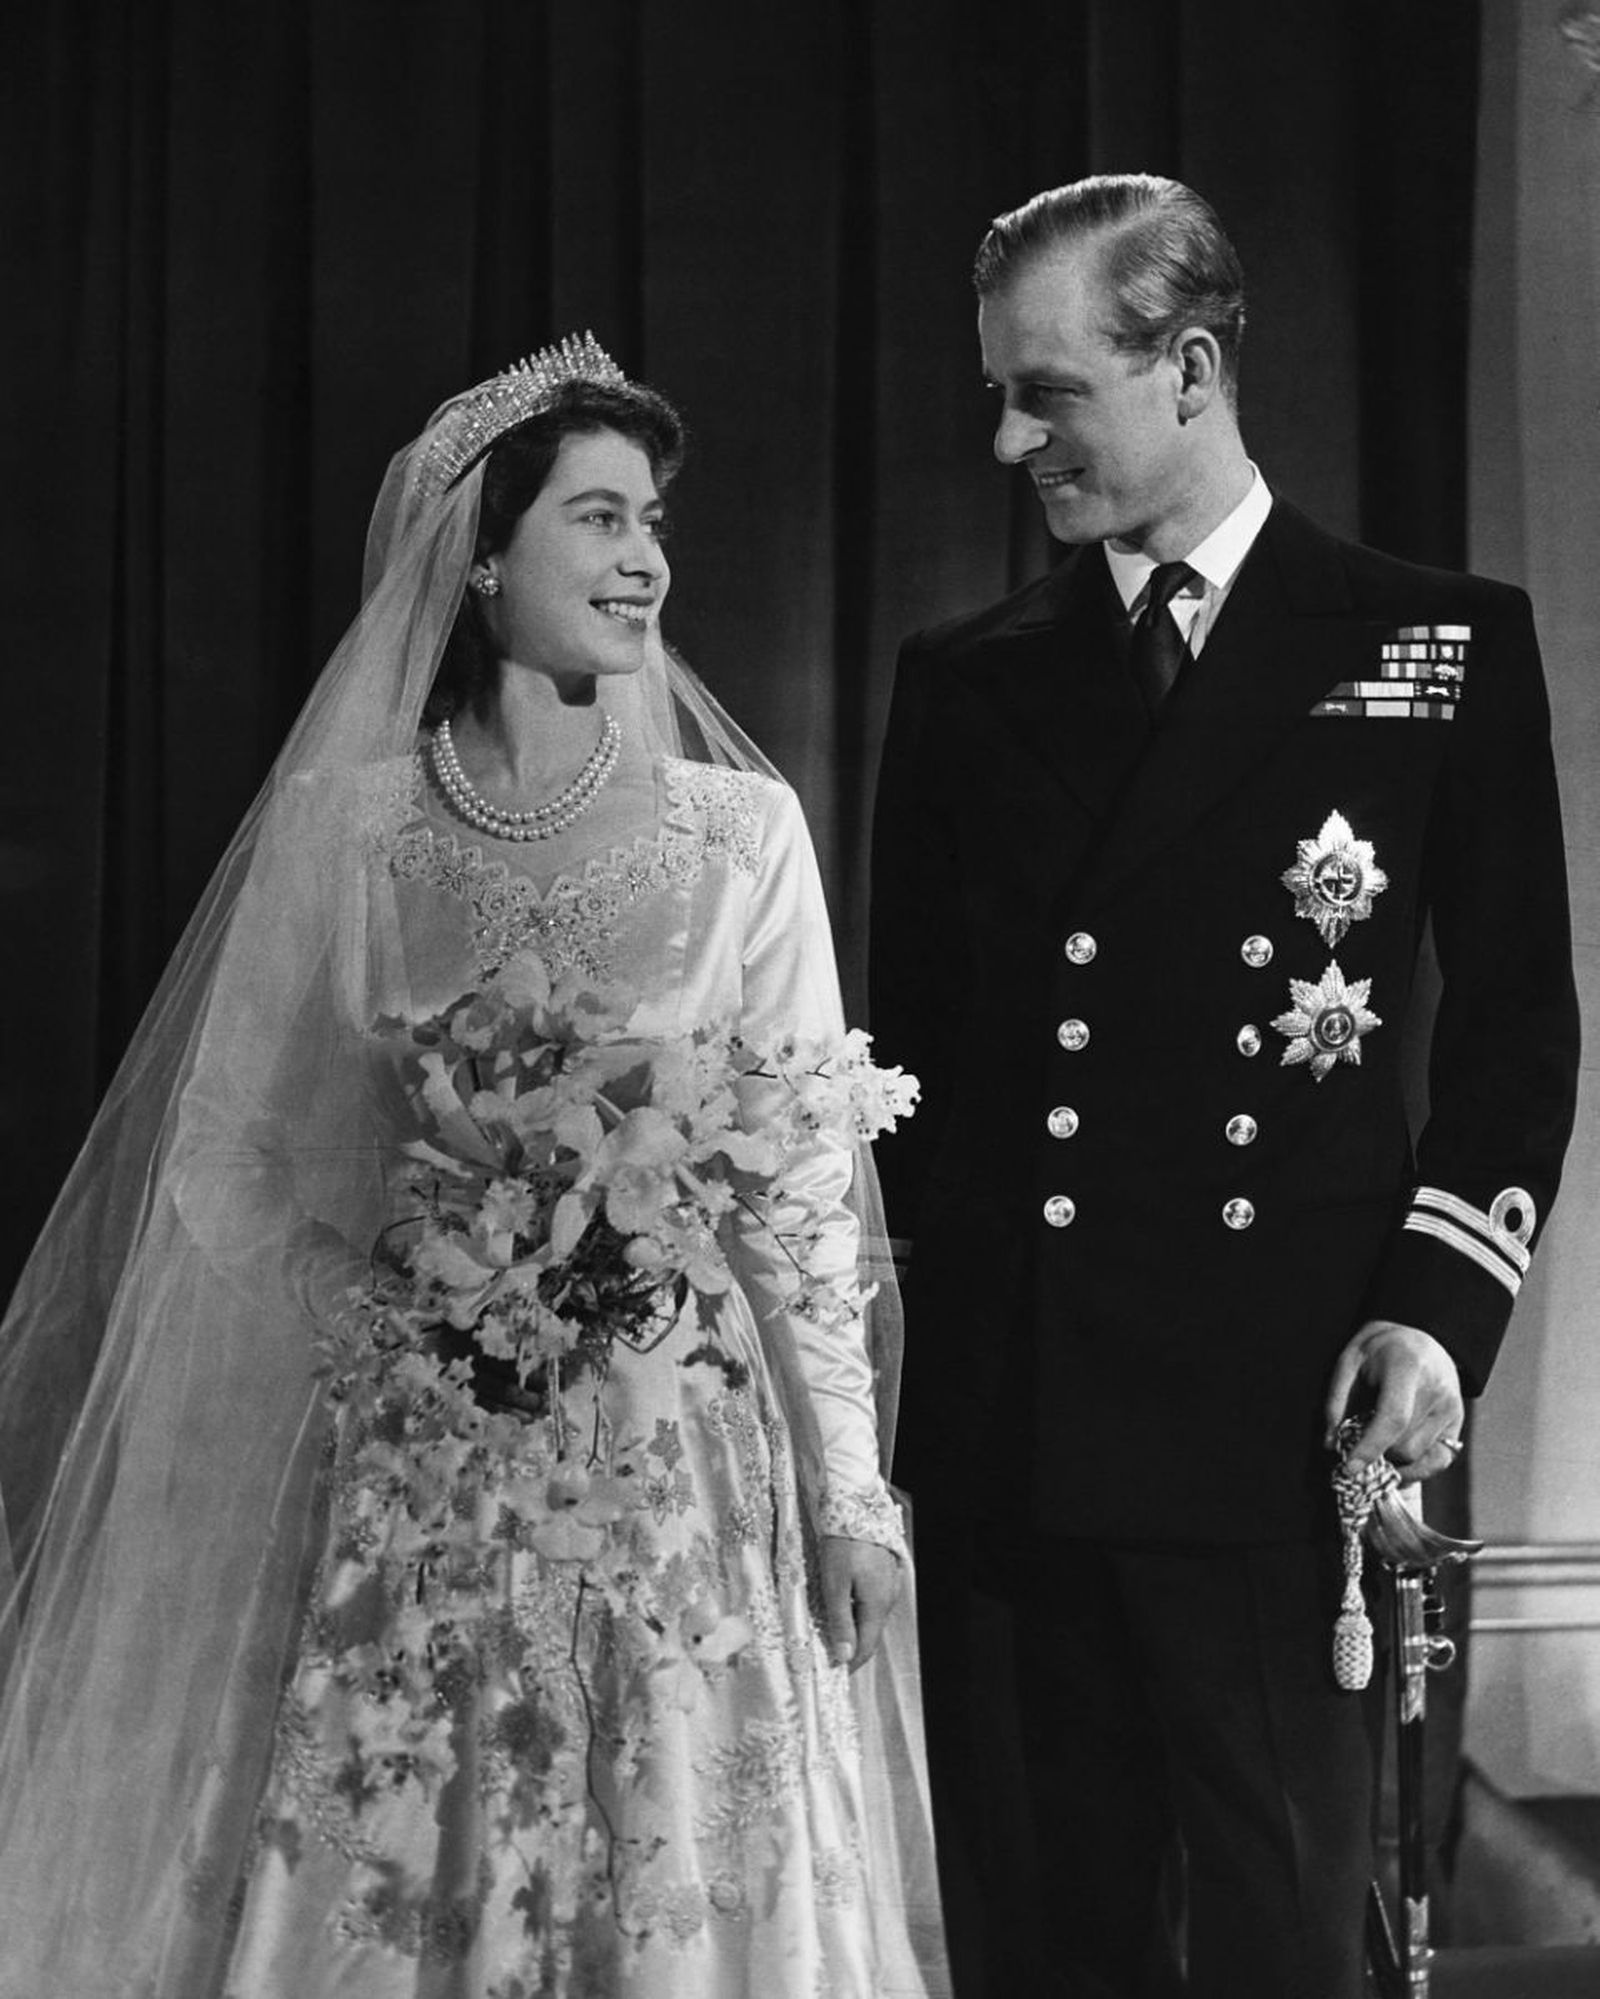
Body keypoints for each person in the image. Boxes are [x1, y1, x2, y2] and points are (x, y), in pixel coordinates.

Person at [0, 337, 946, 1997]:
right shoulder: (348, 833)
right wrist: (376, 1310)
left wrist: (852, 1497)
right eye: (598, 517)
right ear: (483, 555)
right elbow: (220, 1151)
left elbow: (800, 1195)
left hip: (679, 1476)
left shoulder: (742, 836)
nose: (646, 556)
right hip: (430, 1462)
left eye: (652, 517)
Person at [868, 175, 1579, 1999]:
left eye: (1051, 391)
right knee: (1049, 1948)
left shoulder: (1430, 643)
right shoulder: (963, 684)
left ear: (1190, 367)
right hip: (1019, 1430)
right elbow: (910, 1073)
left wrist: (1437, 1314)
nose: (1011, 437)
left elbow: (1515, 1028)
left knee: (1281, 1939)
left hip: (1278, 1417)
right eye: (1001, 392)